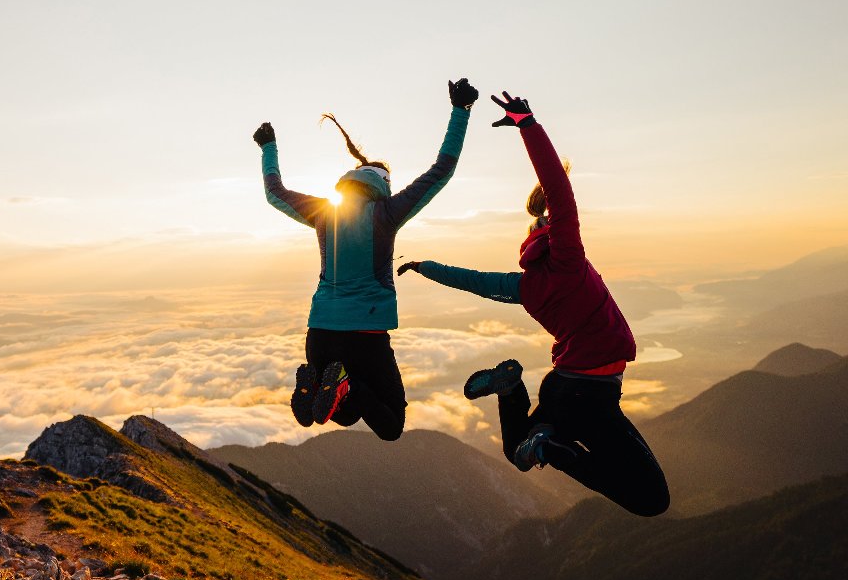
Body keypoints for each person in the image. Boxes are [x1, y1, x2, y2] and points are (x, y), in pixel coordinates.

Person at [397, 91, 670, 516]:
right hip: (589, 392)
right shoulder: (567, 258)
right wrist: (527, 123)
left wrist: (424, 266)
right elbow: (559, 191)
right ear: (550, 229)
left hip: (566, 389)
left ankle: (513, 393)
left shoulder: (525, 286)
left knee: (518, 449)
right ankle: (548, 439)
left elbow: (473, 281)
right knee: (651, 499)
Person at [254, 78, 478, 437]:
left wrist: (268, 147)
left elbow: (274, 193)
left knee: (339, 415)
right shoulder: (387, 212)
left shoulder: (324, 211)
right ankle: (348, 385)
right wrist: (460, 110)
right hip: (366, 337)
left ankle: (328, 382)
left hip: (320, 333)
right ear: (382, 184)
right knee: (391, 423)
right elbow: (442, 171)